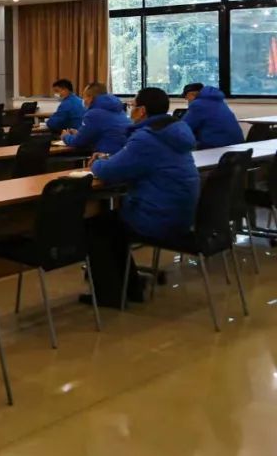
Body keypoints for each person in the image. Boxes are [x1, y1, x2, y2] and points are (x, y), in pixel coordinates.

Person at [88, 88, 200, 307]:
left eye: (133, 106)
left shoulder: (147, 138)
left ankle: (112, 295)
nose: (130, 110)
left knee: (98, 227)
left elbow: (109, 172)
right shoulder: (174, 131)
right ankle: (129, 286)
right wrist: (112, 159)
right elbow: (137, 161)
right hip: (183, 215)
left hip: (157, 217)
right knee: (110, 223)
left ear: (142, 111)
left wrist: (97, 163)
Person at [61, 82, 131, 155]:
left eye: (84, 97)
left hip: (107, 156)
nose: (83, 100)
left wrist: (66, 136)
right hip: (122, 154)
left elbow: (78, 142)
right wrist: (79, 133)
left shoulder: (93, 114)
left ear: (90, 98)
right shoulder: (119, 110)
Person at [182, 83, 244, 149]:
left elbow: (183, 128)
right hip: (238, 147)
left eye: (187, 97)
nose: (186, 100)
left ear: (193, 94)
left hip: (216, 147)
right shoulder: (220, 102)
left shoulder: (198, 105)